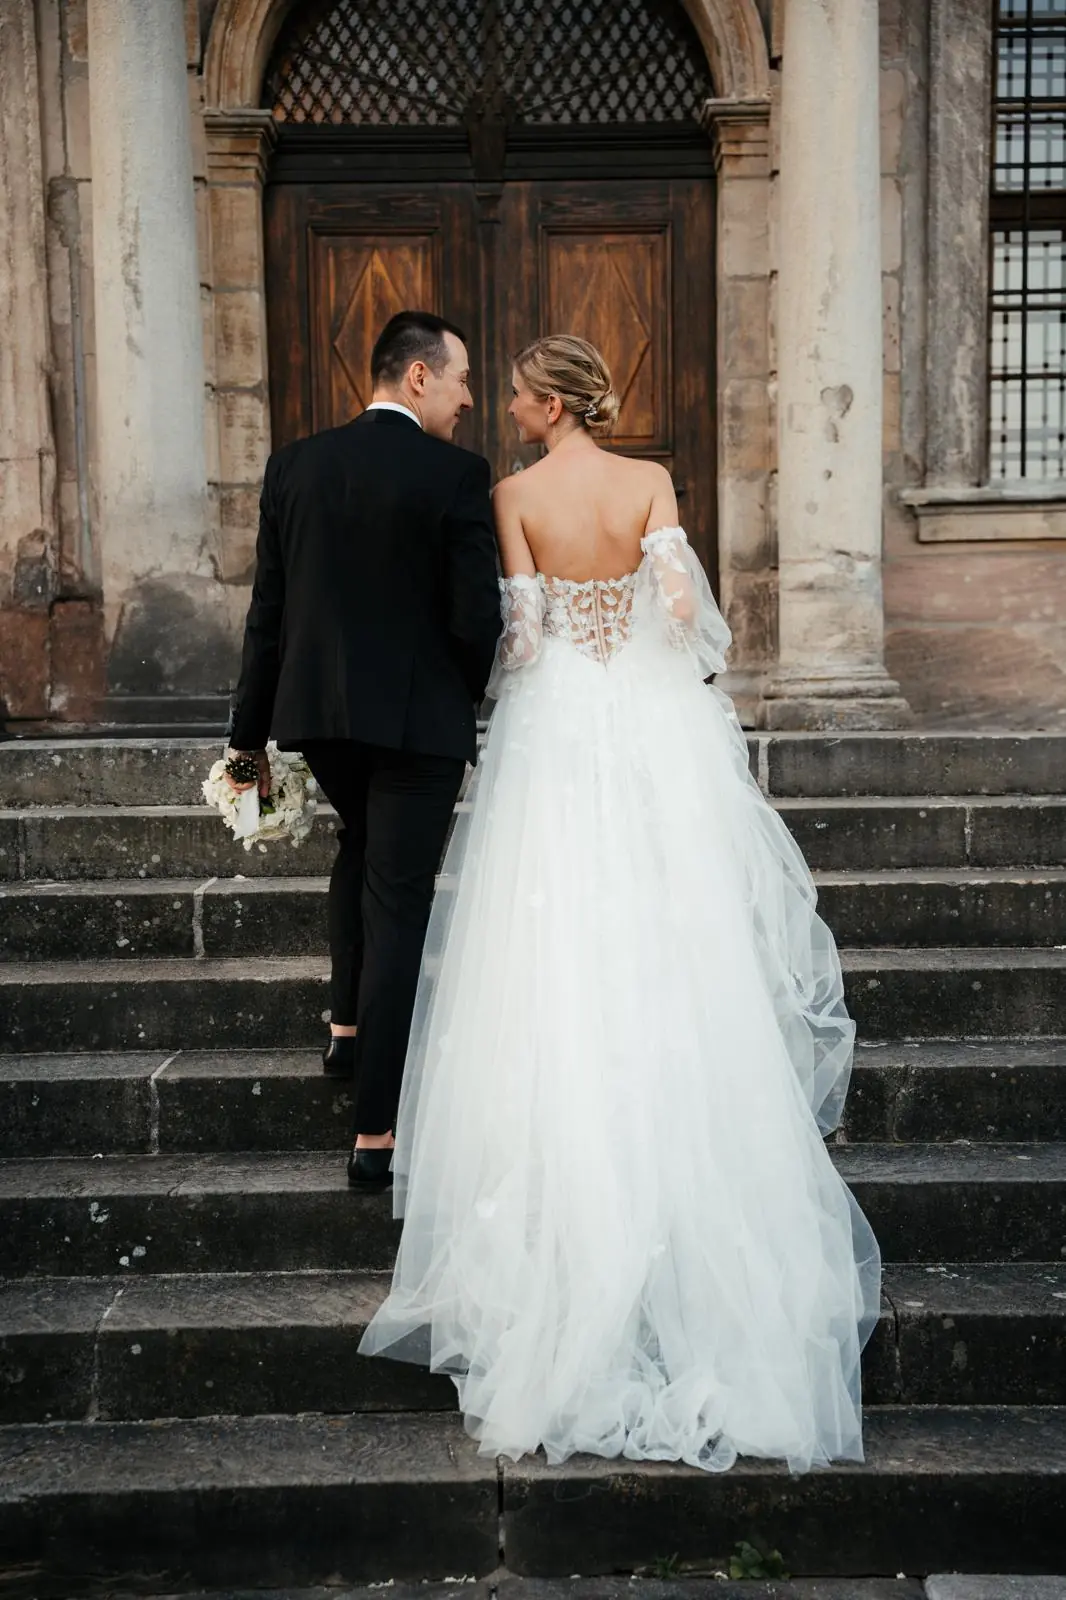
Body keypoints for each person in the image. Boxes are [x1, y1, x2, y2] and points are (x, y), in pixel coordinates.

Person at [359, 334, 881, 1474]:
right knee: (671, 928)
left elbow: (522, 638)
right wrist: (645, 631)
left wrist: (549, 650)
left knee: (553, 944)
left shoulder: (512, 496)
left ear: (550, 404)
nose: (504, 405)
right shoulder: (649, 480)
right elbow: (684, 612)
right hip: (648, 726)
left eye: (515, 393)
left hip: (557, 734)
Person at [226, 311, 501, 1190]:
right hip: (418, 726)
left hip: (316, 718)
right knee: (400, 903)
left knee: (362, 846)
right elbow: (476, 619)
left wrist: (245, 742)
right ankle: (376, 1131)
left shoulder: (294, 465)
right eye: (461, 378)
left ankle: (346, 1031)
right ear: (418, 376)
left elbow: (267, 614)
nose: (468, 398)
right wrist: (461, 695)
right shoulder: (457, 474)